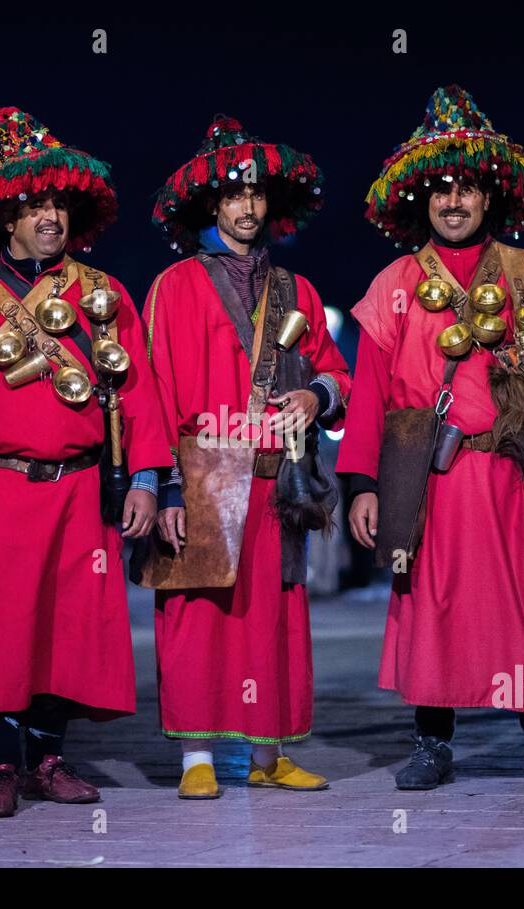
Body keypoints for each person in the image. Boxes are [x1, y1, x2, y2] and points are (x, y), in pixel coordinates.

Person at [337, 86, 524, 789]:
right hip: (427, 479)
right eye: (440, 191)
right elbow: (369, 390)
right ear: (422, 202)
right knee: (431, 605)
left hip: (519, 477)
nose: (452, 202)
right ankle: (432, 741)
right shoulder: (395, 283)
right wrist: (363, 484)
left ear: (490, 199)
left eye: (465, 190)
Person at [0, 108, 172, 816]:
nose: (50, 217)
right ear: (6, 218)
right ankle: (0, 766)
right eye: (35, 206)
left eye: (59, 204)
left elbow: (139, 395)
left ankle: (50, 758)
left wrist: (149, 481)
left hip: (78, 488)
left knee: (67, 629)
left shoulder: (104, 296)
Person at [141, 115, 351, 798]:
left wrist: (316, 396)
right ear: (211, 205)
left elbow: (336, 372)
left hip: (277, 477)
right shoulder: (173, 286)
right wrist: (168, 487)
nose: (248, 207)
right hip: (203, 474)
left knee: (277, 617)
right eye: (233, 195)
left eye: (257, 194)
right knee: (197, 618)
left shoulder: (299, 291)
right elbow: (154, 390)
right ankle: (196, 760)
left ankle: (271, 755)